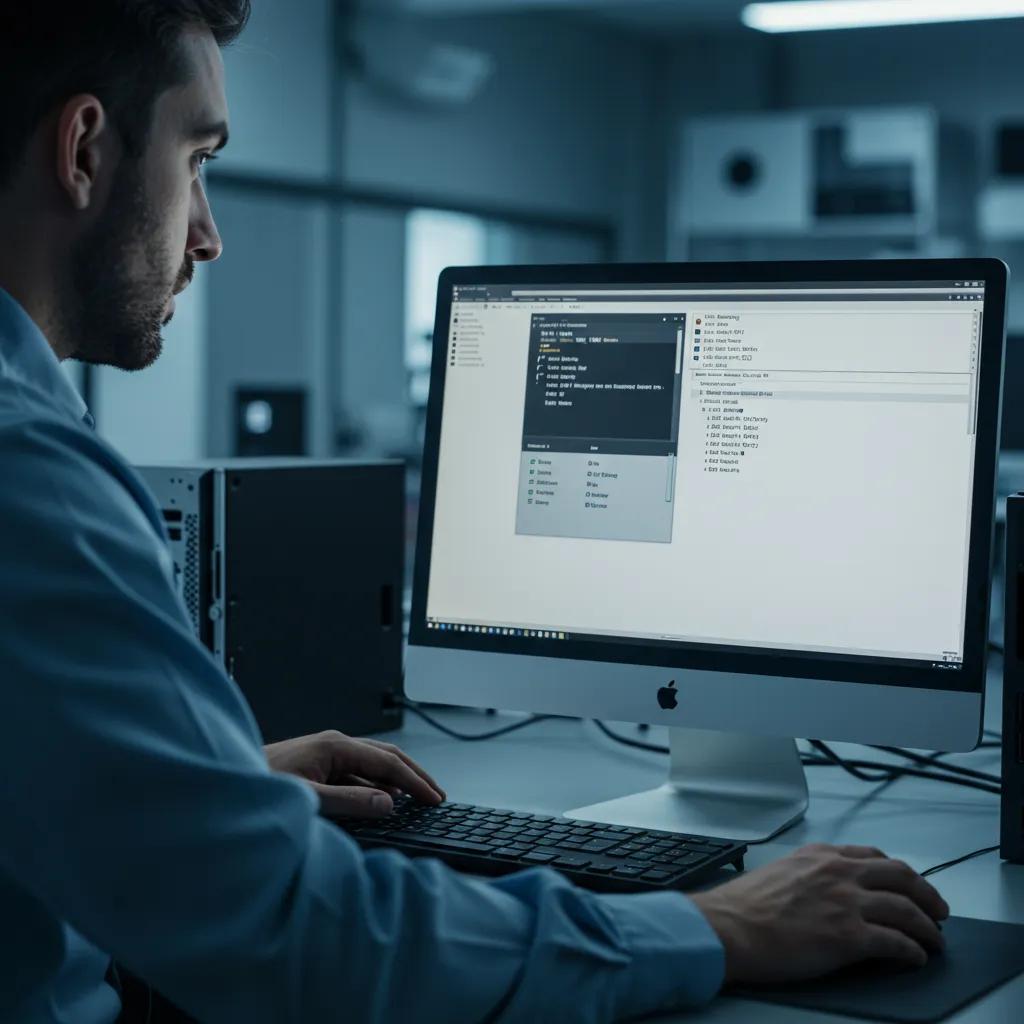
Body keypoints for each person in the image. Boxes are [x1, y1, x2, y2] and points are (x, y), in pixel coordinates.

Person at [0, 3, 950, 1022]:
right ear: (87, 148)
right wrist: (714, 928)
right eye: (197, 160)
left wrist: (206, 789)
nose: (209, 233)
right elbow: (299, 930)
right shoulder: (33, 476)